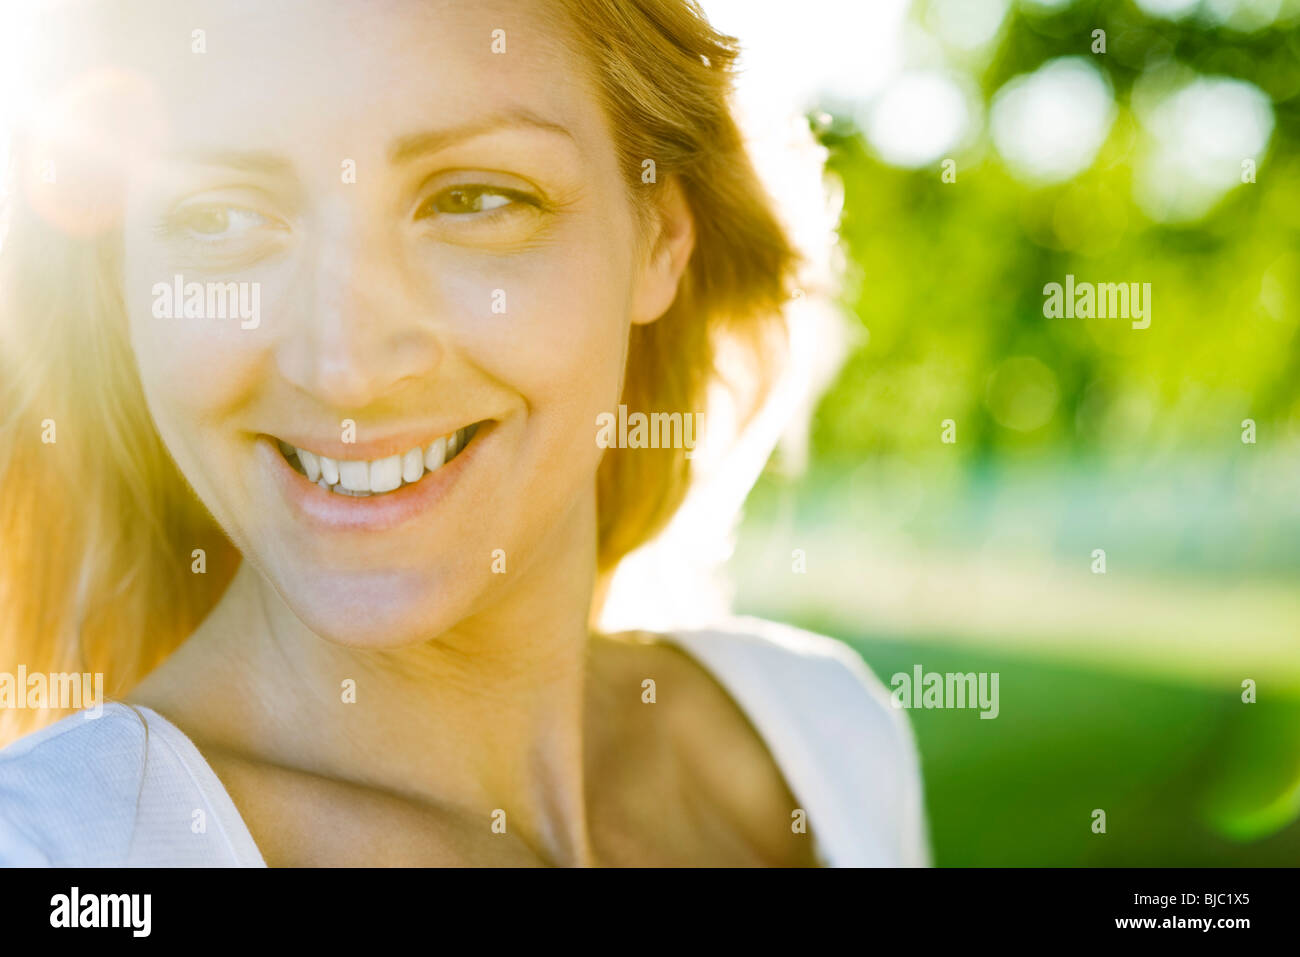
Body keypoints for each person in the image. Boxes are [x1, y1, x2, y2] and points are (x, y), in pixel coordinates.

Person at [0, 0, 927, 867]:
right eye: (222, 217)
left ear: (660, 238)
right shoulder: (58, 848)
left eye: (473, 199)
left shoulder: (824, 740)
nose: (346, 367)